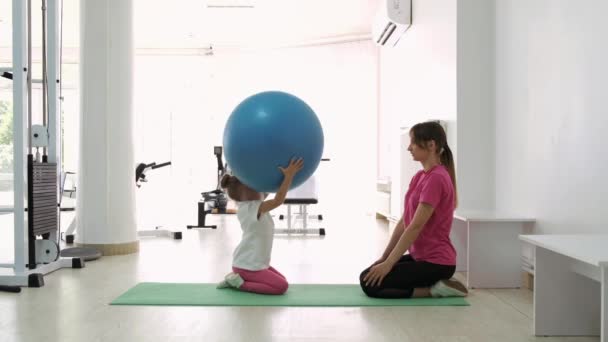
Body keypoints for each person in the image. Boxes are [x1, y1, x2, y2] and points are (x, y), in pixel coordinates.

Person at [360, 121, 467, 298]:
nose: (409, 148)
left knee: (370, 285)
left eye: (413, 142)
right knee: (368, 275)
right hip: (421, 258)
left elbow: (415, 227)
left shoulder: (437, 179)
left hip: (437, 263)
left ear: (431, 145)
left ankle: (434, 290)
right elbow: (403, 222)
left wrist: (388, 265)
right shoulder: (419, 177)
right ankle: (439, 285)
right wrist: (385, 259)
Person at [217, 158, 304, 295]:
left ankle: (238, 277)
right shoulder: (252, 209)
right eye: (255, 187)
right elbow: (278, 200)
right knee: (281, 287)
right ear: (246, 193)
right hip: (248, 266)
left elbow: (269, 190)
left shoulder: (251, 205)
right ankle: (238, 284)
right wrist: (289, 175)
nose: (261, 190)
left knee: (282, 280)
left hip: (251, 264)